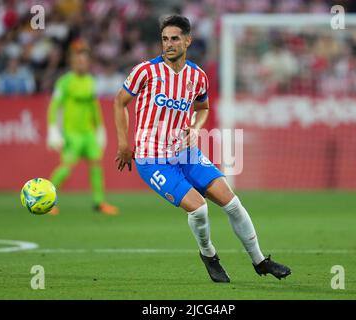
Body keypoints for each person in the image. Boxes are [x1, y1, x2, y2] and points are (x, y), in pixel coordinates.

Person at [113, 15, 290, 282]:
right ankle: (209, 255)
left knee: (232, 203)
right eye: (164, 39)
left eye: (174, 38)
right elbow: (119, 102)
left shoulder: (197, 76)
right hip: (152, 159)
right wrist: (124, 143)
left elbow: (203, 108)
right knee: (199, 209)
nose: (169, 44)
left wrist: (195, 129)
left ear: (188, 40)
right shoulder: (145, 71)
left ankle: (260, 261)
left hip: (186, 153)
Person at [47, 41, 118, 216]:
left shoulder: (89, 81)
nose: (82, 64)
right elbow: (54, 106)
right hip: (72, 133)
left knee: (96, 164)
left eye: (85, 61)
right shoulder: (64, 82)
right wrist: (52, 129)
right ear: (72, 63)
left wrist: (100, 128)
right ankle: (46, 200)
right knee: (67, 166)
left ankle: (98, 202)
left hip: (88, 133)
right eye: (78, 61)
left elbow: (94, 106)